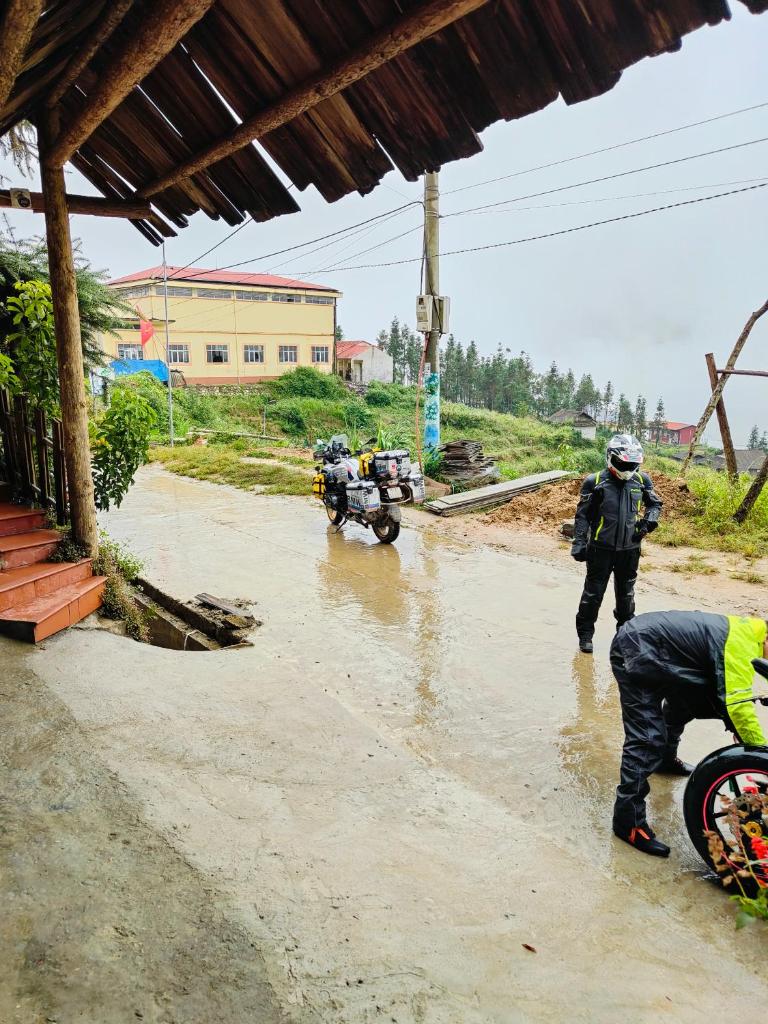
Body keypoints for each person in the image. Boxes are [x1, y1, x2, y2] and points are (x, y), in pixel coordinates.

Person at [611, 610, 768, 857]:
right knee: (646, 738)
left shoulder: (747, 631)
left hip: (667, 653)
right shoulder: (743, 643)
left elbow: (724, 694)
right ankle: (627, 821)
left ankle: (665, 760)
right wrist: (759, 753)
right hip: (637, 647)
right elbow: (737, 704)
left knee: (684, 705)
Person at [571, 434, 662, 654]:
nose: (628, 467)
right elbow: (582, 515)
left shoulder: (641, 480)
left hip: (629, 549)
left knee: (626, 595)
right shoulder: (594, 481)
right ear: (611, 458)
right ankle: (585, 635)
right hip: (600, 549)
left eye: (633, 464)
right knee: (593, 594)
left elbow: (655, 504)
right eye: (624, 463)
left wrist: (649, 521)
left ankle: (625, 634)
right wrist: (579, 541)